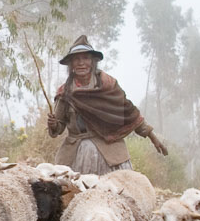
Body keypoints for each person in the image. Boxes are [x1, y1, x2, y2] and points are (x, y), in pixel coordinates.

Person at [46, 35, 167, 175]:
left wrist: (153, 137)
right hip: (76, 154)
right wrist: (54, 124)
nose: (81, 63)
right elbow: (59, 127)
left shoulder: (108, 86)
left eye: (85, 58)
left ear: (92, 62)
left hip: (110, 151)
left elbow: (129, 113)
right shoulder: (65, 93)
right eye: (76, 59)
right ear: (71, 64)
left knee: (118, 191)